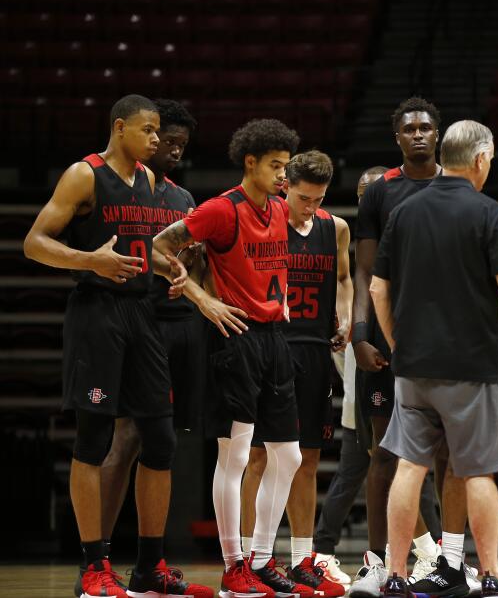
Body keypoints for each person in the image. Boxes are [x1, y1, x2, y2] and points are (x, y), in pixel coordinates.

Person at [369, 120, 498, 598]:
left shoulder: (404, 210)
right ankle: (493, 578)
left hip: (413, 366)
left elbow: (379, 289)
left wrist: (398, 343)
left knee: (409, 468)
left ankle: (395, 575)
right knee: (478, 470)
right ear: (481, 159)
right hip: (470, 366)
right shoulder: (488, 213)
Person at [23, 94, 204, 598]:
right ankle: (93, 567)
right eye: (148, 132)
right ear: (120, 127)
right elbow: (34, 242)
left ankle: (148, 567)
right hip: (97, 315)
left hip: (143, 314)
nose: (156, 140)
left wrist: (174, 270)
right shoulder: (84, 174)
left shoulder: (148, 182)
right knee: (94, 437)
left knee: (161, 440)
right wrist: (90, 261)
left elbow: (148, 247)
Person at [153, 118, 307, 598]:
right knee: (236, 453)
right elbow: (159, 246)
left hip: (275, 337)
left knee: (289, 455)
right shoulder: (221, 209)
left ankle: (261, 558)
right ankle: (232, 565)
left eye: (287, 166)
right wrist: (203, 299)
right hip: (233, 336)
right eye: (276, 166)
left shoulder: (280, 209)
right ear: (250, 163)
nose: (284, 175)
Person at [238, 150, 352, 597]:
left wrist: (343, 316)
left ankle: (302, 556)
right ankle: (249, 556)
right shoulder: (266, 223)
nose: (311, 206)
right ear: (286, 188)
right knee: (260, 456)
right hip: (272, 346)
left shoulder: (334, 228)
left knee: (307, 459)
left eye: (319, 198)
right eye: (304, 198)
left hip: (315, 351)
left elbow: (343, 279)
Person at [97, 98, 205, 547]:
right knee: (124, 437)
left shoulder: (182, 198)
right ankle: (95, 552)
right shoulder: (121, 189)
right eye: (165, 139)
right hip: (134, 318)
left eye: (180, 143)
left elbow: (196, 265)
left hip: (178, 324)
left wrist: (190, 278)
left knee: (161, 441)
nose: (172, 148)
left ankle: (152, 558)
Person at [349, 98, 445, 597]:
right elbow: (364, 271)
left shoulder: (457, 186)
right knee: (383, 452)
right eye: (409, 128)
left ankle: (449, 563)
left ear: (439, 133)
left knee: (448, 454)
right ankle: (377, 561)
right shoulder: (380, 191)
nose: (419, 134)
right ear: (398, 137)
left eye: (427, 127)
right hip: (388, 336)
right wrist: (360, 335)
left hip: (446, 335)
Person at [315, 166, 389, 587]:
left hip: (385, 364)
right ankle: (324, 551)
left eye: (374, 190)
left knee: (395, 469)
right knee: (354, 472)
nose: (368, 197)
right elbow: (347, 288)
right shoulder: (348, 237)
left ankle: (430, 550)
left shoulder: (389, 236)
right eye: (362, 191)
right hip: (356, 362)